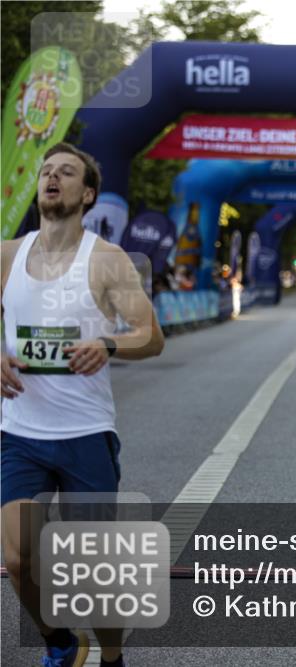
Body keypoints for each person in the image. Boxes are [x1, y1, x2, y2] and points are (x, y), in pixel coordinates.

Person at [1, 143, 165, 667]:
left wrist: (109, 344)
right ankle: (60, 643)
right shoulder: (7, 256)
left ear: (87, 193)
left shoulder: (107, 261)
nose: (52, 178)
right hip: (19, 432)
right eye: (47, 171)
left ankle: (112, 658)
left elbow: (152, 336)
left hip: (85, 433)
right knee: (16, 558)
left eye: (65, 173)